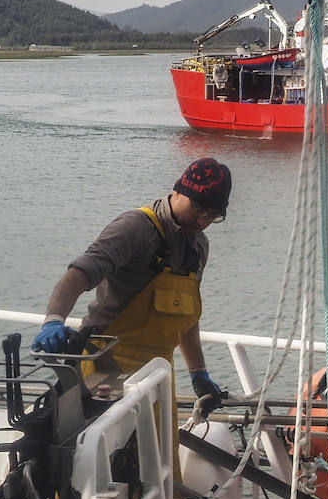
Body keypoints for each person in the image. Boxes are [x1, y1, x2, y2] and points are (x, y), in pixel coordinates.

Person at [31, 157, 231, 415]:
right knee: (110, 449)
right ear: (179, 191)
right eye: (200, 210)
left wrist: (198, 373)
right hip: (107, 371)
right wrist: (54, 319)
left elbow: (186, 319)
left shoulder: (198, 246)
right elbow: (79, 274)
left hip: (157, 376)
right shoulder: (135, 228)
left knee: (160, 454)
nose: (202, 222)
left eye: (213, 216)